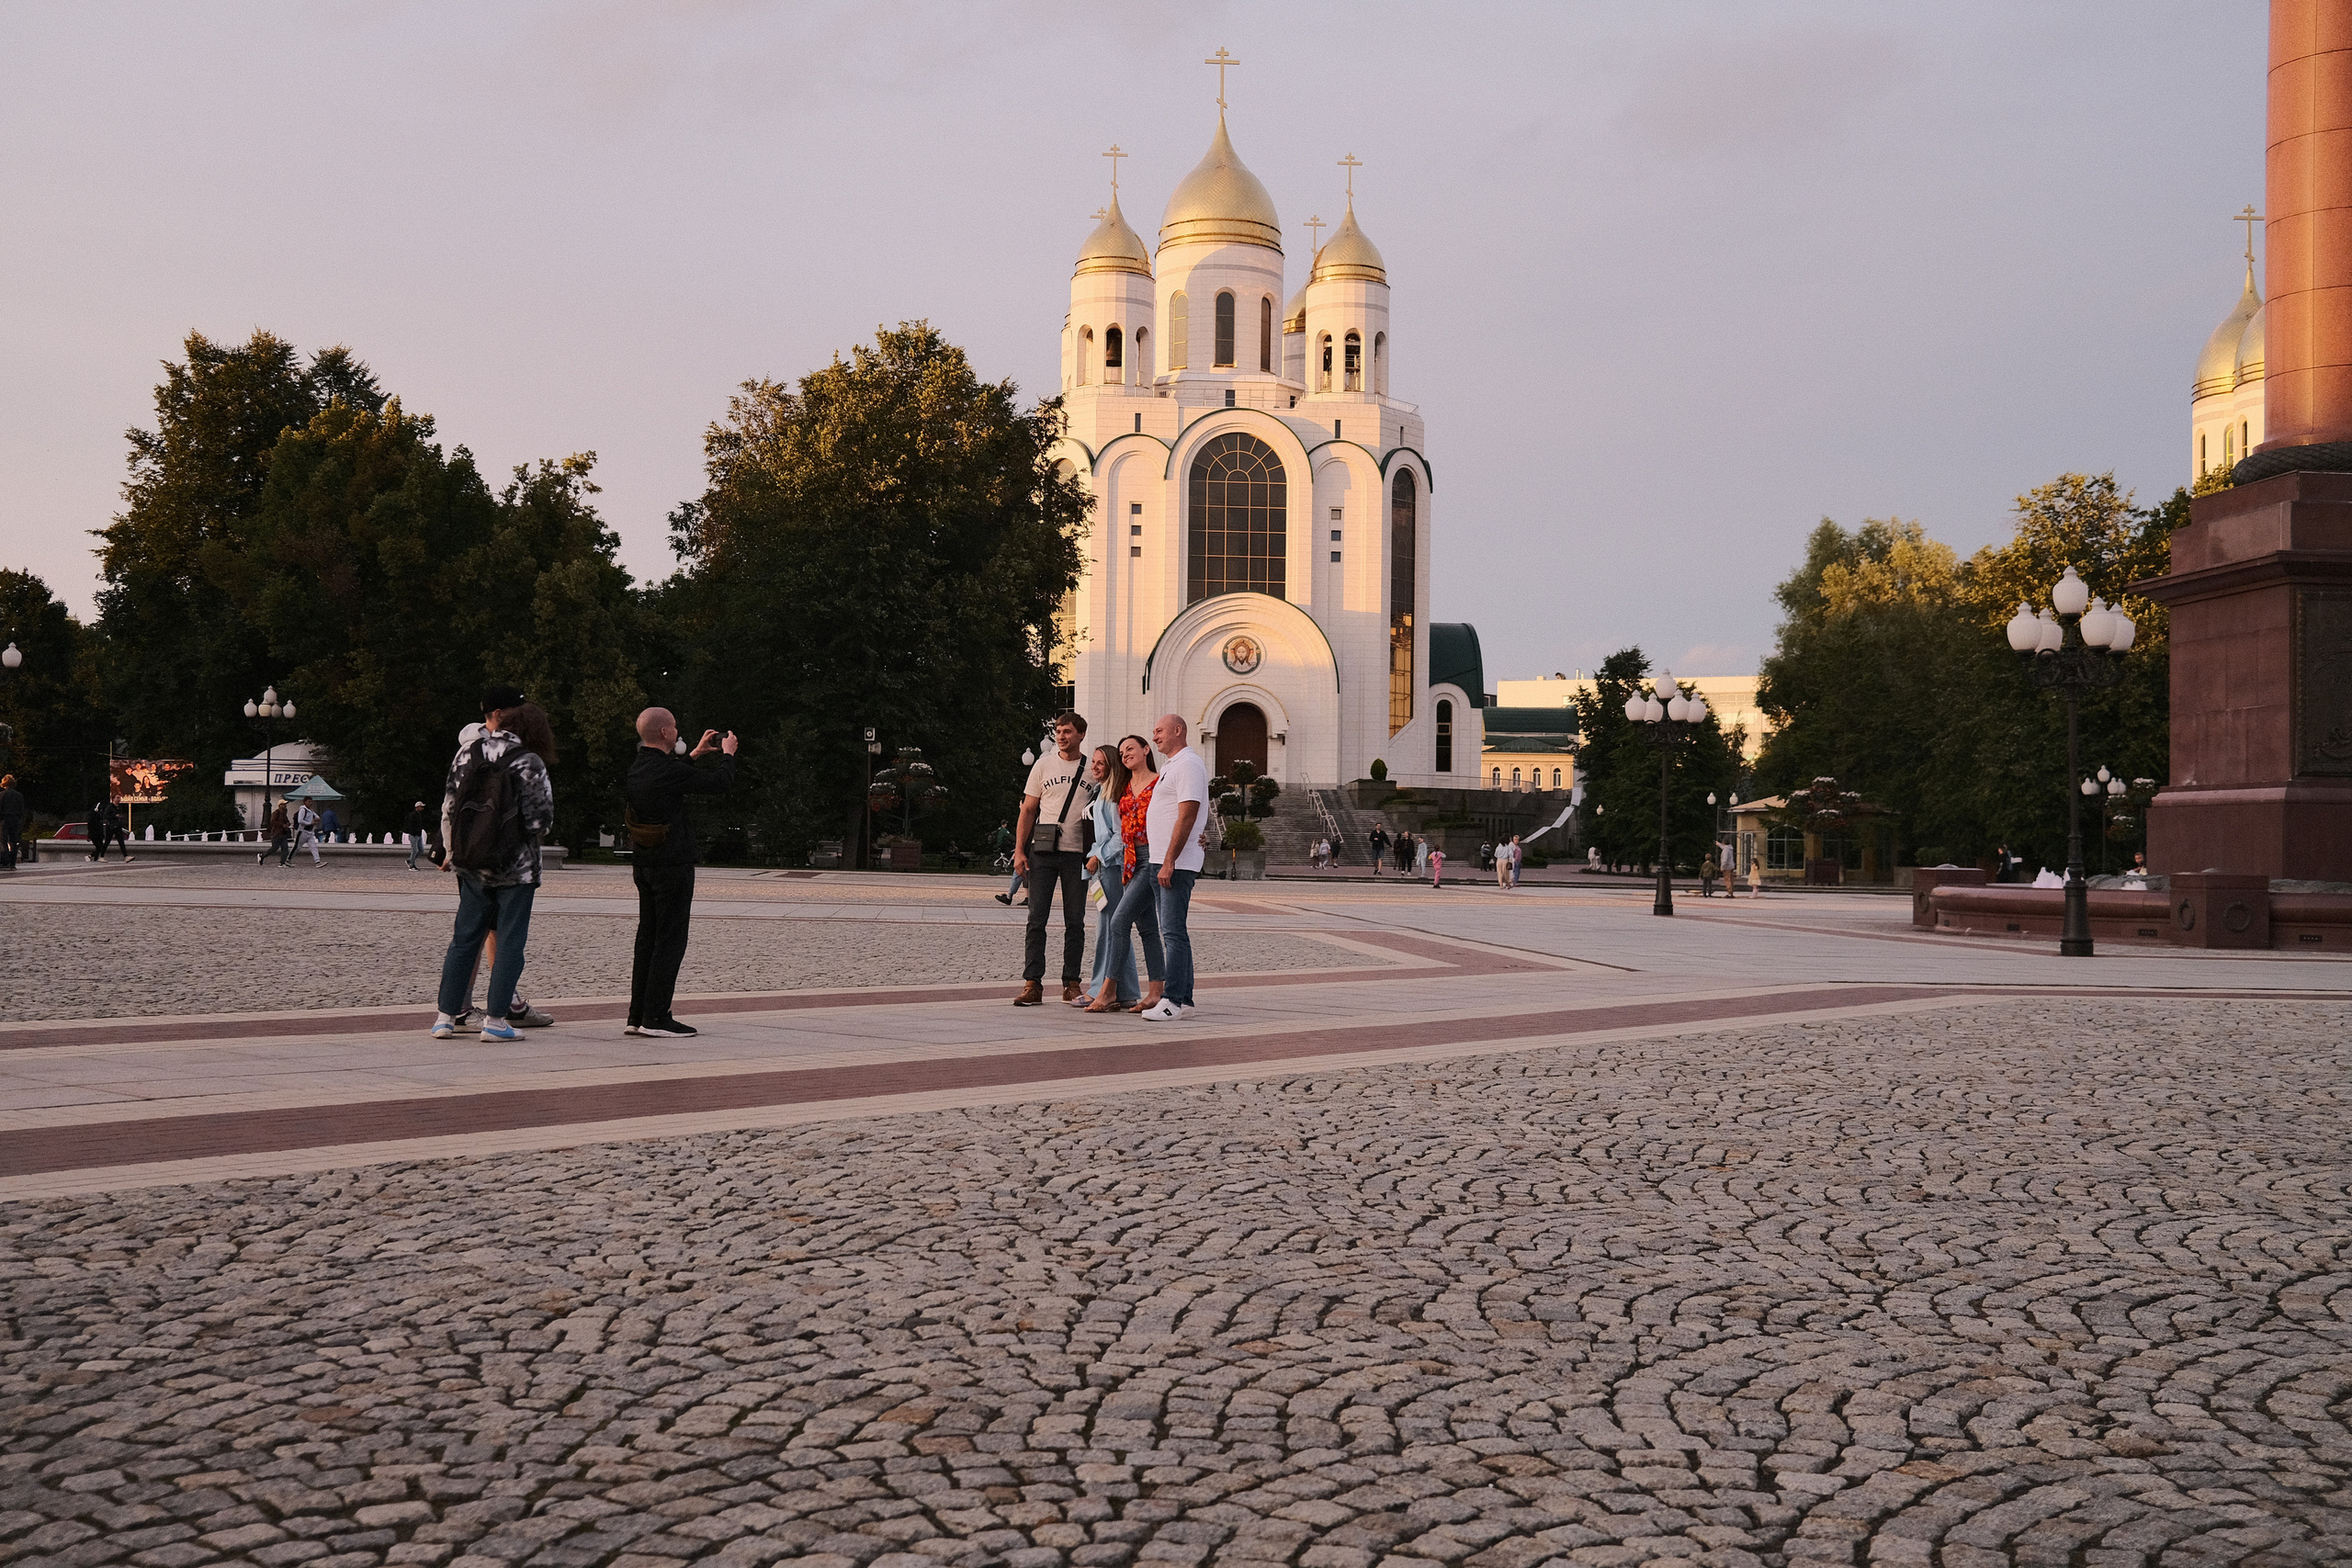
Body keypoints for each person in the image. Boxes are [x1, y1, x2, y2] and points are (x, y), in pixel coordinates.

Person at [432, 701, 557, 1042]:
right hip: (517, 869)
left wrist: (454, 851)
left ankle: (445, 1017)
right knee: (509, 943)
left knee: (464, 940)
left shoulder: (467, 753)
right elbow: (541, 821)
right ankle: (497, 1020)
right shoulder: (529, 761)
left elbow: (449, 808)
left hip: (471, 863)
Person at [623, 705, 738, 1039]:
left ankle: (637, 1015)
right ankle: (656, 1016)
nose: (677, 730)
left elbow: (671, 777)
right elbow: (720, 782)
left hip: (644, 864)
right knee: (670, 940)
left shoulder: (639, 767)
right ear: (664, 732)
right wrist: (728, 754)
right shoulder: (667, 769)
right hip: (672, 864)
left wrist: (696, 754)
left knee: (647, 938)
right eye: (673, 726)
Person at [1012, 711, 1097, 1007]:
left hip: (1077, 854)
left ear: (1081, 735)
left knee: (1075, 921)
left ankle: (1071, 983)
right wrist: (1019, 850)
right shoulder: (1043, 764)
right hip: (1044, 851)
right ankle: (1032, 983)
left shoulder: (1092, 769)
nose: (1061, 736)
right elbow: (1028, 809)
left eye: (1067, 732)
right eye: (1059, 731)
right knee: (1036, 918)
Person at [1138, 714, 1208, 1022]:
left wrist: (1170, 862)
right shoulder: (1171, 765)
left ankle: (1173, 1000)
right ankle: (1185, 999)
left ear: (1178, 730)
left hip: (1174, 864)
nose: (1154, 737)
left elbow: (1188, 814)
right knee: (1175, 931)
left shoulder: (1188, 764)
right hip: (1161, 860)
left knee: (1172, 932)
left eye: (1159, 731)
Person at [1091, 735, 1165, 1015]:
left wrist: (1197, 838)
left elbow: (1181, 811)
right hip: (1130, 863)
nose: (1125, 754)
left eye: (1130, 748)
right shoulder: (1123, 787)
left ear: (1146, 750)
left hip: (1151, 859)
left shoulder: (1160, 782)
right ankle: (1156, 992)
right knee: (1147, 929)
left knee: (1118, 922)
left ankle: (1109, 990)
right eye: (1121, 752)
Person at [1075, 743, 1140, 1013]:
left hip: (1111, 867)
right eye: (1093, 762)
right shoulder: (1100, 791)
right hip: (1102, 867)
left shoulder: (1113, 796)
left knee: (1109, 930)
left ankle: (1100, 989)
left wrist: (1098, 857)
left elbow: (1119, 837)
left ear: (1112, 765)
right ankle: (1126, 992)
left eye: (1100, 763)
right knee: (1115, 929)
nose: (1095, 767)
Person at [0, 774, 22, 870]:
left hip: (4, 820)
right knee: (14, 841)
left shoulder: (2, 795)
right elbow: (21, 810)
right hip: (15, 820)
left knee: (3, 841)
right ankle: (13, 863)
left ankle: (5, 861)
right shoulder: (19, 795)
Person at [292, 798, 322, 865]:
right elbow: (300, 821)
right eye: (309, 802)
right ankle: (288, 860)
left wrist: (316, 819)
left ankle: (317, 861)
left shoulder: (311, 810)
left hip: (309, 832)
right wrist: (310, 823)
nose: (311, 803)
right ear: (305, 802)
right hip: (302, 831)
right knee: (297, 847)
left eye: (311, 802)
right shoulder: (303, 810)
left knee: (313, 846)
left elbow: (317, 817)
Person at [403, 800, 430, 870]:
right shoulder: (413, 815)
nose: (422, 808)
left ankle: (410, 860)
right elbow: (411, 825)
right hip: (414, 835)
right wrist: (413, 833)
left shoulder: (418, 814)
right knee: (414, 850)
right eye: (421, 807)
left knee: (421, 849)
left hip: (418, 835)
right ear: (417, 807)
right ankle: (412, 865)